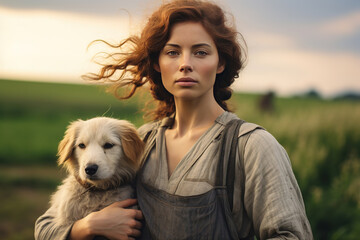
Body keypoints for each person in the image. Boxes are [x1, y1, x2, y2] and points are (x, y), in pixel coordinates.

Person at [35, 0, 313, 239]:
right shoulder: (141, 141)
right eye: (173, 52)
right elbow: (46, 227)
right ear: (157, 62)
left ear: (221, 63)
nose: (185, 63)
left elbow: (291, 234)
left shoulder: (251, 147)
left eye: (201, 52)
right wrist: (87, 226)